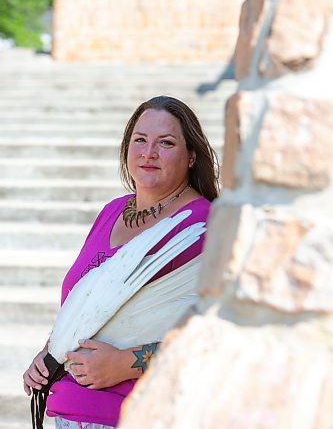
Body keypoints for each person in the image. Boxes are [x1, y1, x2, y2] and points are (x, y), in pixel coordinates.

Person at [23, 95, 220, 428]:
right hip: (66, 413)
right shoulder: (112, 211)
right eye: (139, 140)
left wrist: (127, 363)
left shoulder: (206, 223)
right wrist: (49, 353)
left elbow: (222, 333)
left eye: (166, 143)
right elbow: (89, 306)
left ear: (191, 156)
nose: (148, 152)